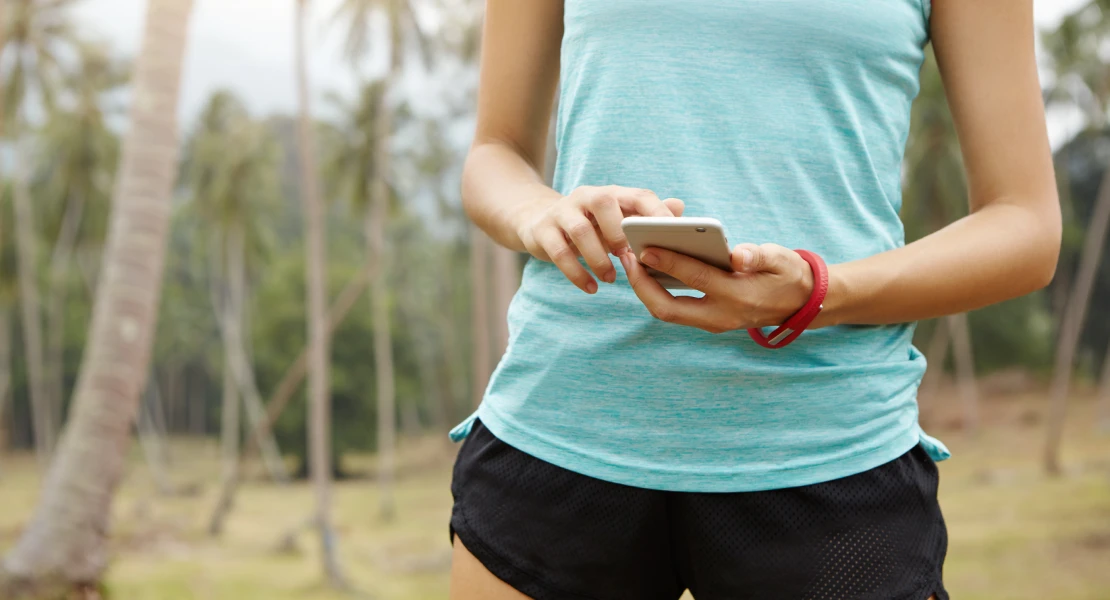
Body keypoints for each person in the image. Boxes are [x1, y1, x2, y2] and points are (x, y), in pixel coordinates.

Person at [449, 1, 1060, 598]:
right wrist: (538, 215)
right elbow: (495, 151)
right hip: (560, 425)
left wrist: (818, 292)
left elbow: (1025, 225)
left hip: (829, 448)